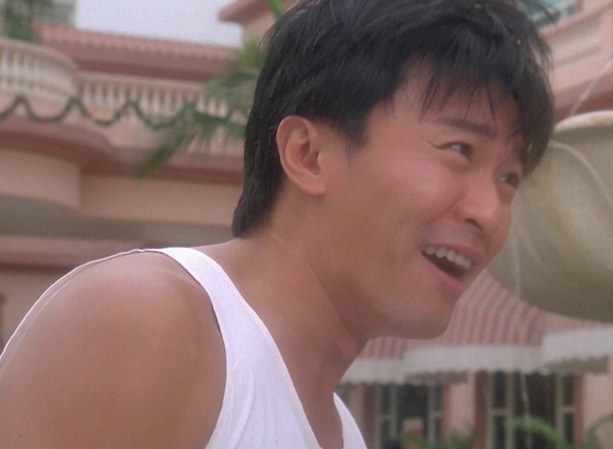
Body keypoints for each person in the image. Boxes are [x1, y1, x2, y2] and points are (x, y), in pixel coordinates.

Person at [0, 0, 555, 447]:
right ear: (308, 154)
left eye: (509, 177)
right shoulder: (146, 320)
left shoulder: (340, 429)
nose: (489, 211)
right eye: (459, 149)